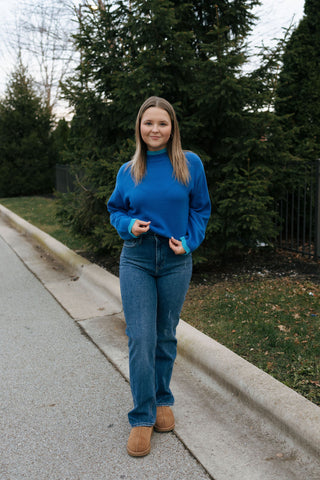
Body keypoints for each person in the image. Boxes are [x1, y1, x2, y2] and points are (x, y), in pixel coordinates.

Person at [107, 96, 211, 457]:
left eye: (162, 123)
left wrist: (189, 241)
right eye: (148, 123)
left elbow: (200, 208)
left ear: (172, 128)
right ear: (140, 126)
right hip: (136, 258)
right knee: (141, 336)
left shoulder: (189, 164)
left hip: (174, 259)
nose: (155, 129)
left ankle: (163, 398)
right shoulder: (129, 169)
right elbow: (115, 209)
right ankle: (141, 417)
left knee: (165, 335)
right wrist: (127, 225)